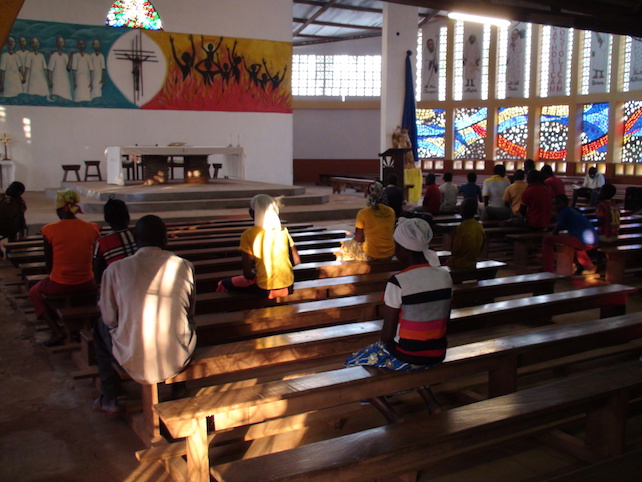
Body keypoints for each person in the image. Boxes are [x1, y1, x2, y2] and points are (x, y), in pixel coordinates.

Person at [345, 217, 451, 421]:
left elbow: (387, 336)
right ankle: (432, 404)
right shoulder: (444, 275)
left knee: (355, 365)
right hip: (438, 351)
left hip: (408, 354)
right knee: (414, 355)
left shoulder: (398, 281)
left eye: (396, 246)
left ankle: (392, 415)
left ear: (404, 249)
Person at [93, 215, 196, 415]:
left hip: (132, 354)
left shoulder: (115, 269)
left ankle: (110, 397)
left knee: (99, 328)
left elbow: (109, 319)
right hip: (178, 355)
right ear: (165, 239)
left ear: (135, 239)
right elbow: (190, 312)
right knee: (183, 322)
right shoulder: (184, 266)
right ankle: (179, 386)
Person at [28, 190, 101, 347]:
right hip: (88, 282)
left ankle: (57, 331)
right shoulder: (92, 228)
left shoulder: (49, 230)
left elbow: (49, 265)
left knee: (34, 292)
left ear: (60, 209)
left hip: (60, 284)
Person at [217, 194, 300, 297]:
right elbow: (296, 261)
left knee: (223, 284)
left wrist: (259, 273)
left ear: (252, 213)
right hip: (288, 286)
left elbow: (247, 275)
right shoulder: (283, 230)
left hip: (264, 288)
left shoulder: (248, 235)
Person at [542, 194, 597, 274]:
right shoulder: (572, 210)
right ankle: (589, 266)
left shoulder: (564, 212)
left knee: (547, 239)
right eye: (554, 204)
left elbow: (556, 231)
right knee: (573, 243)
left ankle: (548, 269)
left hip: (583, 241)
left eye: (558, 204)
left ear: (565, 203)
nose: (555, 206)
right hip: (592, 240)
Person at [93, 197, 137, 283]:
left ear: (106, 219)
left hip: (118, 284)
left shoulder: (102, 242)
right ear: (128, 216)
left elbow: (98, 277)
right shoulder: (138, 234)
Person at [352, 181, 396, 259]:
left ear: (369, 195)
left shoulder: (363, 213)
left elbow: (358, 239)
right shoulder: (391, 211)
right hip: (390, 252)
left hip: (371, 253)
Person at [449, 198, 486, 269]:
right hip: (473, 262)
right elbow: (482, 246)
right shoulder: (479, 226)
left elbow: (455, 250)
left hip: (458, 264)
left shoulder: (462, 228)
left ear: (462, 211)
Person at [0, 181, 27, 247]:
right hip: (12, 229)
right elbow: (21, 219)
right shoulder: (19, 202)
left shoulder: (7, 202)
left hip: (5, 227)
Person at [47, 36, 72, 100]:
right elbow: (49, 70)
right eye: (58, 42)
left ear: (63, 43)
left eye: (61, 42)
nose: (60, 44)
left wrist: (71, 57)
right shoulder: (53, 56)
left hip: (65, 81)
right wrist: (50, 81)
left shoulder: (65, 56)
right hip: (56, 80)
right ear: (56, 43)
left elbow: (68, 69)